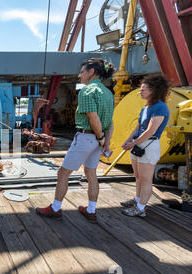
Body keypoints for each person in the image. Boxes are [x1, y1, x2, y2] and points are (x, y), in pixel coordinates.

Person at [37, 58, 116, 223]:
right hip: (97, 140)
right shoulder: (108, 93)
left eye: (82, 72)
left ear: (91, 72)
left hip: (86, 137)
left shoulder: (87, 91)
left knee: (63, 173)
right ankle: (91, 210)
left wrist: (101, 139)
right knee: (91, 173)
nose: (79, 76)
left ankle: (55, 208)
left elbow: (93, 119)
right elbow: (110, 122)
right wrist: (105, 142)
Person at [120, 74, 171, 217]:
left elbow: (151, 130)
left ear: (153, 90)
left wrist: (133, 143)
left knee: (146, 179)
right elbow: (138, 126)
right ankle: (137, 200)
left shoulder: (160, 107)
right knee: (137, 176)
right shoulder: (147, 107)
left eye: (143, 90)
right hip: (139, 144)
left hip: (148, 145)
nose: (140, 92)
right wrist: (129, 140)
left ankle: (141, 208)